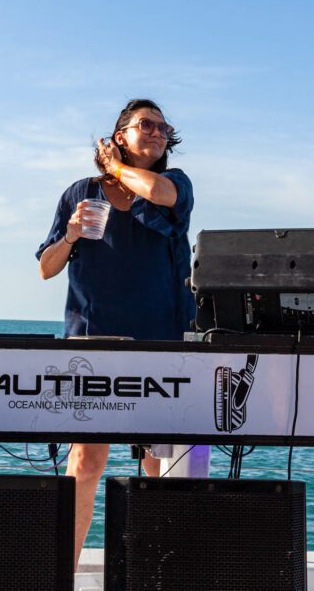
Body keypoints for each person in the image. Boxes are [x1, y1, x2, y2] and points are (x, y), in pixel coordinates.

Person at [36, 98, 195, 566]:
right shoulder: (81, 193)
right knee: (86, 461)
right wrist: (68, 235)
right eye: (146, 124)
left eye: (164, 127)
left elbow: (157, 193)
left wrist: (114, 165)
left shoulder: (174, 184)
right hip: (93, 345)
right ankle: (61, 570)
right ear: (120, 134)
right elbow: (47, 268)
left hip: (161, 345)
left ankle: (156, 573)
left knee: (157, 464)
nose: (158, 132)